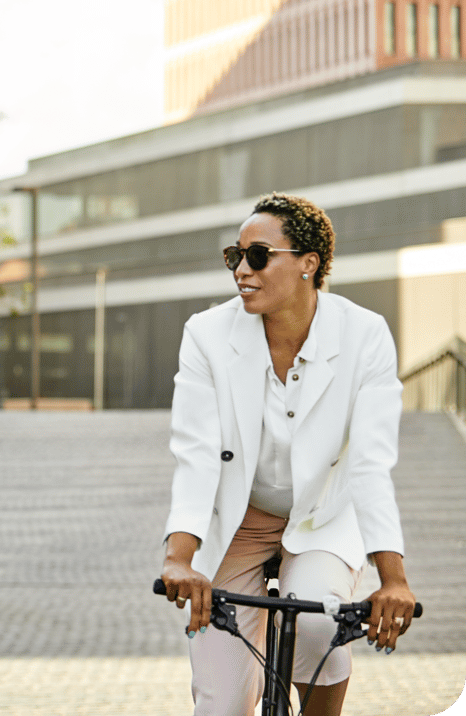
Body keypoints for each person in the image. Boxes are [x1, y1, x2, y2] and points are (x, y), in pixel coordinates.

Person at [159, 192, 416, 716]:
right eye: (235, 256)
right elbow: (197, 455)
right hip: (238, 522)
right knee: (222, 704)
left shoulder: (364, 335)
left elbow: (370, 464)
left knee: (319, 625)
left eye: (258, 256)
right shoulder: (206, 334)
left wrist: (393, 578)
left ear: (308, 264)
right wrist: (178, 558)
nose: (241, 270)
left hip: (323, 518)